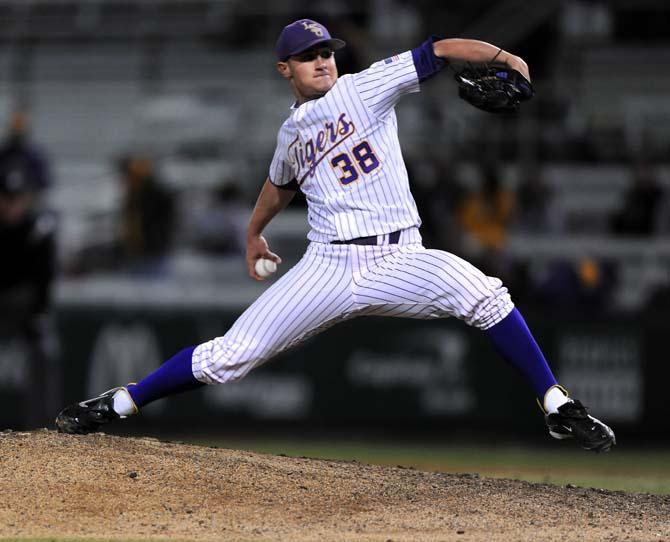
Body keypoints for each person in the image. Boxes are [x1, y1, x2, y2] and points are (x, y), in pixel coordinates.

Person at [56, 19, 615, 452]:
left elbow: (441, 49)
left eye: (326, 51)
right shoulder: (289, 133)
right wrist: (254, 232)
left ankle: (557, 406)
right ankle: (122, 402)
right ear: (284, 70)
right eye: (308, 56)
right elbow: (279, 185)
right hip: (326, 266)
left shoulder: (365, 87)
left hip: (399, 256)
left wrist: (506, 57)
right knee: (230, 356)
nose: (322, 61)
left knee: (485, 294)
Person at [0, 156, 60, 427]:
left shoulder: (38, 228)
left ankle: (43, 426)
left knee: (45, 349)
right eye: (6, 197)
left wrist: (40, 311)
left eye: (16, 198)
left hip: (26, 303)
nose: (12, 204)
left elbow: (44, 277)